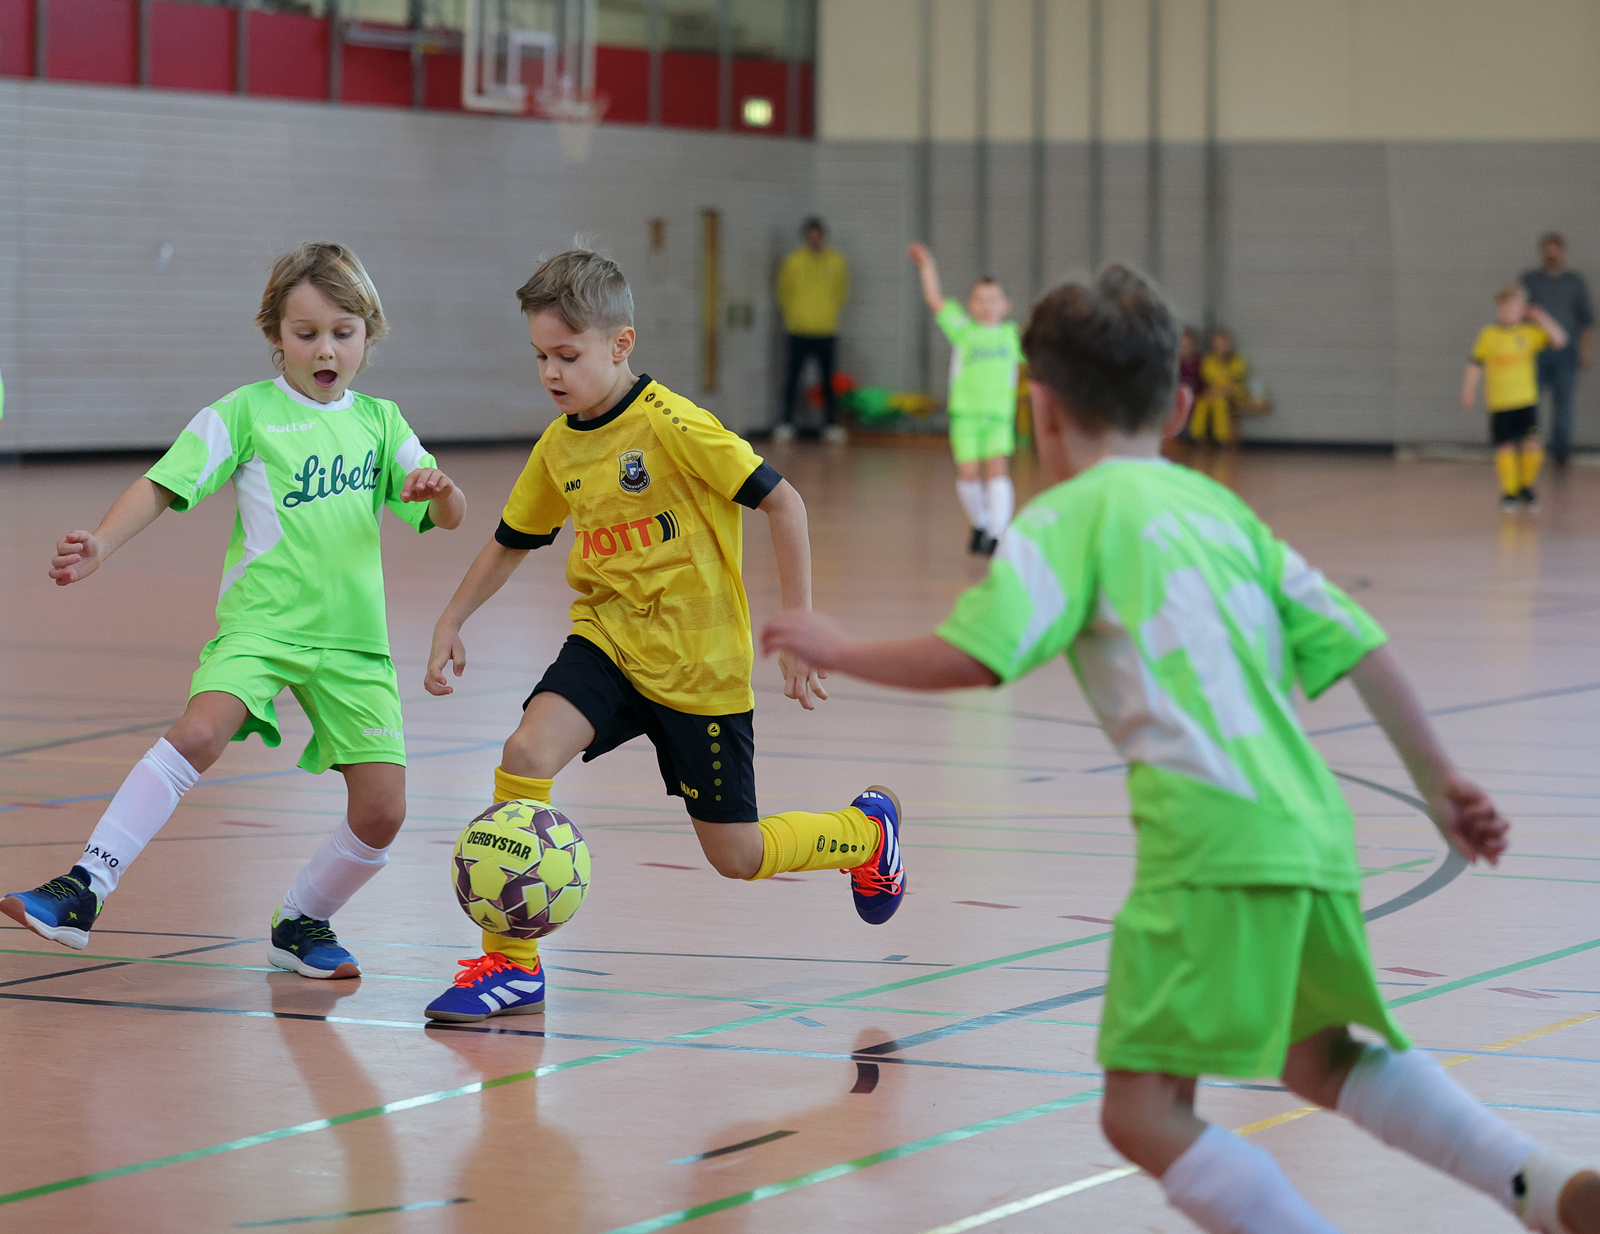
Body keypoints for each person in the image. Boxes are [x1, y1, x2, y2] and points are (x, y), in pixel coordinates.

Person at [764, 263, 1600, 1234]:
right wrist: (1441, 784)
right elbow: (1360, 642)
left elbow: (978, 657)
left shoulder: (1066, 519)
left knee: (1142, 1113)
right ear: (1178, 407)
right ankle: (1540, 1183)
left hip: (1209, 846)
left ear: (1039, 407)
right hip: (1312, 830)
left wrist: (843, 648)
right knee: (1318, 1056)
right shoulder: (1225, 512)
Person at [419, 247, 904, 1023]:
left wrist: (800, 625)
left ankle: (865, 834)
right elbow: (513, 539)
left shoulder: (674, 425)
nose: (550, 373)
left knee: (736, 855)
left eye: (567, 355)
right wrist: (451, 619)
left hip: (699, 667)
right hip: (608, 641)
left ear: (621, 344)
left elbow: (786, 504)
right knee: (524, 754)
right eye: (540, 356)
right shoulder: (559, 446)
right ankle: (511, 967)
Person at [1, 242, 466, 979]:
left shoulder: (382, 422)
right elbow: (164, 482)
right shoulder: (245, 412)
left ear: (367, 335)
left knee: (383, 812)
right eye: (306, 333)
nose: (325, 349)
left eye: (342, 332)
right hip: (262, 628)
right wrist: (102, 545)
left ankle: (302, 920)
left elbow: (448, 514)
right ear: (275, 334)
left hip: (354, 645)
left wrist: (442, 493)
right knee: (198, 731)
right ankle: (84, 885)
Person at [907, 242, 1022, 555]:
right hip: (966, 415)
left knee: (997, 471)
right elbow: (935, 300)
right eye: (980, 299)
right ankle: (981, 524)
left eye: (993, 299)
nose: (987, 305)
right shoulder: (964, 330)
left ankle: (998, 533)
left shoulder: (1012, 336)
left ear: (1006, 305)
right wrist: (927, 265)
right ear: (970, 305)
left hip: (998, 415)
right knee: (968, 474)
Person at [1463, 284, 1567, 511]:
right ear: (1498, 310)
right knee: (1506, 447)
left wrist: (1541, 317)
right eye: (1504, 309)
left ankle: (1526, 487)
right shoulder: (1489, 335)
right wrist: (1468, 390)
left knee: (1533, 446)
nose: (1508, 313)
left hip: (1526, 402)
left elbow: (1560, 340)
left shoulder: (1528, 333)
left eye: (1513, 309)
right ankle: (1509, 492)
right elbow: (1476, 364)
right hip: (1500, 403)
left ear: (1522, 310)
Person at [1521, 231, 1595, 465]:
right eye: (1548, 251)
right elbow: (1518, 315)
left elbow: (1587, 321)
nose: (1552, 255)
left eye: (1556, 251)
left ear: (1562, 252)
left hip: (1566, 353)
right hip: (1536, 352)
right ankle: (1530, 448)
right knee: (1529, 400)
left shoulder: (1574, 282)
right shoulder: (1530, 280)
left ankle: (1560, 453)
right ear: (1542, 252)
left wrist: (1586, 351)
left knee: (1564, 402)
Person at [775, 217, 850, 444]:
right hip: (798, 329)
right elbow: (783, 292)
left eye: (818, 236)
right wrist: (795, 315)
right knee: (792, 378)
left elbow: (841, 291)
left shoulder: (836, 262)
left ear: (823, 237)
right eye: (811, 236)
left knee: (827, 380)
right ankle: (786, 423)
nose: (815, 240)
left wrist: (828, 313)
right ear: (805, 238)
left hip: (826, 329)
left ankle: (829, 424)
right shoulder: (793, 262)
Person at [1191, 327, 1247, 445]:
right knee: (1201, 402)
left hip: (1234, 393)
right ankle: (1196, 436)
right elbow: (1208, 379)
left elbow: (1235, 379)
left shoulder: (1237, 360)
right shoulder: (1208, 360)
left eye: (1222, 343)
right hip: (1214, 392)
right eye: (1216, 344)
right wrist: (1214, 390)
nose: (1219, 346)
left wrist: (1220, 387)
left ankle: (1221, 438)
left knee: (1219, 403)